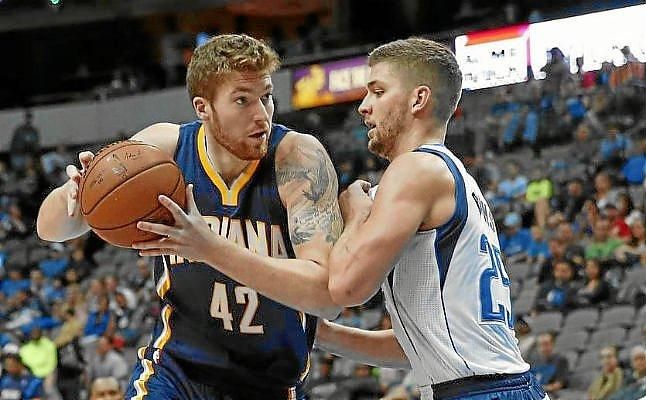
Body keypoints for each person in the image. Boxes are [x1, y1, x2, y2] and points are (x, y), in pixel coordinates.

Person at [37, 34, 342, 399]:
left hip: (268, 380)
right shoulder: (166, 149)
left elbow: (327, 297)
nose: (261, 114)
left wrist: (210, 248)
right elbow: (49, 229)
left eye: (266, 97)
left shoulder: (298, 159)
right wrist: (76, 193)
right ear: (203, 107)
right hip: (177, 370)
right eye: (242, 100)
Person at [316, 38, 545, 399]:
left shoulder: (416, 169)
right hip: (494, 386)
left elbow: (347, 288)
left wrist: (356, 215)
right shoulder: (454, 176)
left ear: (418, 99)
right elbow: (421, 345)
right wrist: (321, 334)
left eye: (378, 91)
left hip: (479, 392)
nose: (363, 106)